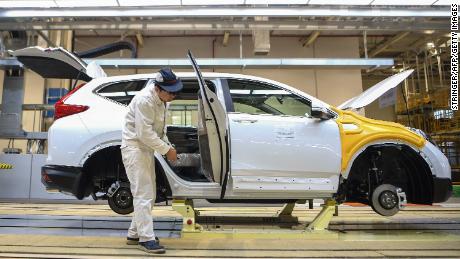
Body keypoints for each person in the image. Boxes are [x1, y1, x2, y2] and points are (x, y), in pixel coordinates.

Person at [121, 67, 182, 254]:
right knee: (143, 195)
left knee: (148, 194)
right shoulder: (144, 100)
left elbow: (159, 131)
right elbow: (144, 133)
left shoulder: (162, 101)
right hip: (135, 149)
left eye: (175, 92)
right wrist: (166, 150)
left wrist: (169, 146)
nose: (173, 96)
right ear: (158, 89)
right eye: (170, 92)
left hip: (145, 150)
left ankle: (134, 234)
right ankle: (146, 239)